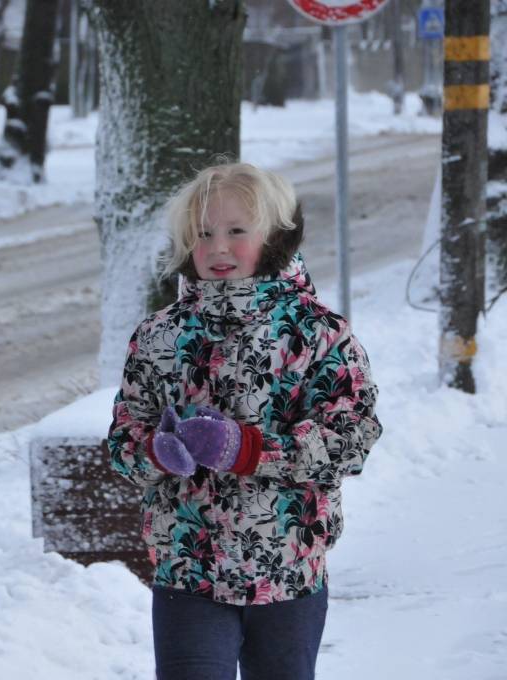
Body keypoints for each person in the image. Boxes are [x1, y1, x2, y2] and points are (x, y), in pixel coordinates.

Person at [107, 162, 382, 680]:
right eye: (203, 234)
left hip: (287, 567)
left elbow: (353, 436)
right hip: (189, 568)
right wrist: (153, 452)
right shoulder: (158, 337)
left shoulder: (319, 335)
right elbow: (124, 439)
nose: (218, 248)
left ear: (275, 237)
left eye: (237, 231)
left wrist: (249, 449)